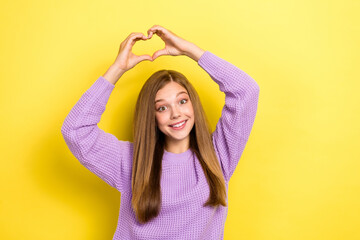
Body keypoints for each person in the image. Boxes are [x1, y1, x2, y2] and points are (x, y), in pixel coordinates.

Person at [61, 25, 260, 240]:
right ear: (152, 116)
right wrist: (117, 68)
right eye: (162, 107)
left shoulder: (218, 155)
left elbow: (246, 91)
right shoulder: (130, 160)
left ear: (193, 105)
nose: (176, 113)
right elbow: (75, 130)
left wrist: (190, 51)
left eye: (182, 101)